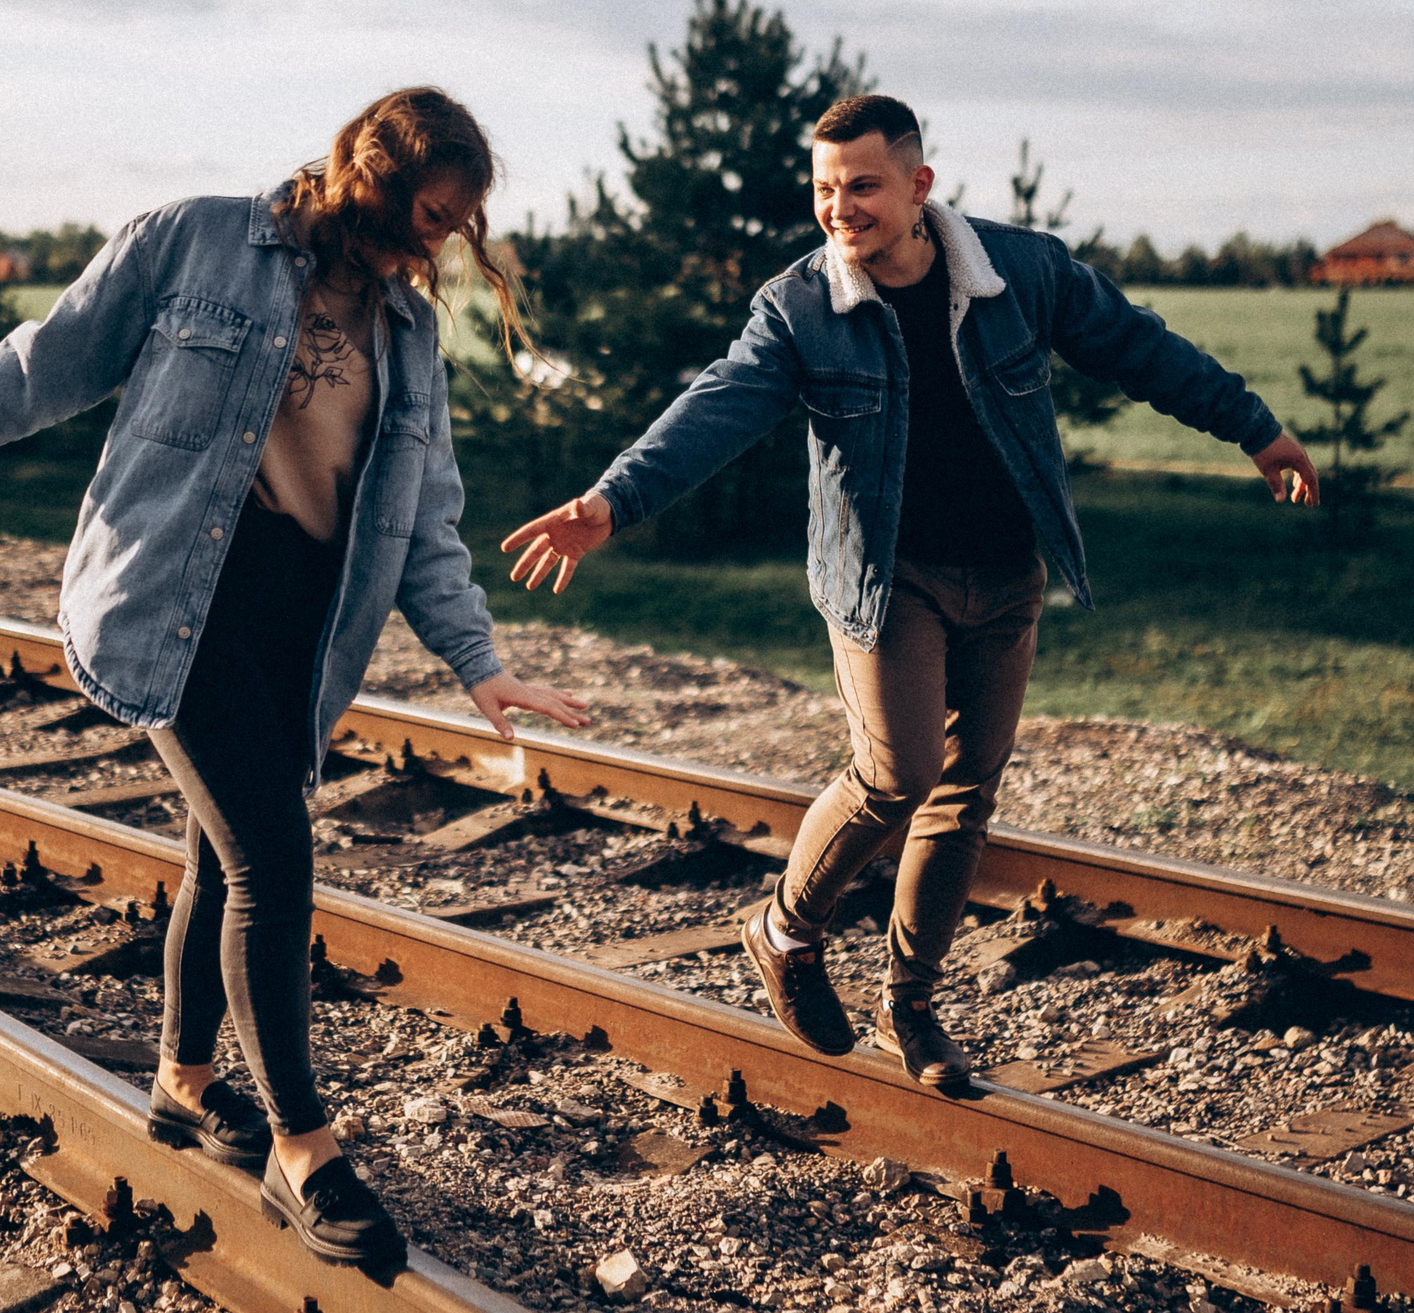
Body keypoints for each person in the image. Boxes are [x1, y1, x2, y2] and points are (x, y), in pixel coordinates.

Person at [0, 87, 589, 1264]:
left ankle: (182, 1082)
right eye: (428, 214)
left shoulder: (406, 332)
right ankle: (301, 1142)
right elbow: (41, 366)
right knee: (273, 858)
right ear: (370, 178)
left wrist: (481, 666)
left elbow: (424, 519)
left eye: (455, 222)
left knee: (219, 857)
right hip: (174, 596)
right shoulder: (198, 238)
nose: (439, 242)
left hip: (297, 624)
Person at [502, 94, 1316, 1089]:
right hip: (889, 578)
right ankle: (785, 926)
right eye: (823, 189)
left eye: (861, 185)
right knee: (896, 774)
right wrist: (612, 502)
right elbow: (712, 409)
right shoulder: (801, 307)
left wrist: (1252, 426)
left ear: (918, 187)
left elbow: (1139, 347)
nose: (840, 207)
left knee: (966, 790)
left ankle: (909, 1004)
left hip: (1007, 570)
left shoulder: (1022, 272)